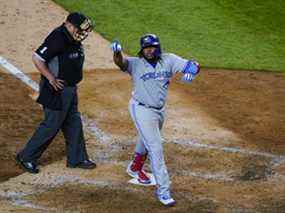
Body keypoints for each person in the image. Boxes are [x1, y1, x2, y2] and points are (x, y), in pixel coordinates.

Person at [110, 34, 200, 206]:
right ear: (142, 49)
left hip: (159, 111)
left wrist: (192, 71)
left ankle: (135, 167)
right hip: (141, 108)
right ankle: (164, 191)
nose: (149, 50)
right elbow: (121, 63)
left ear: (158, 47)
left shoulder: (169, 60)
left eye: (152, 47)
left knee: (147, 138)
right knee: (156, 147)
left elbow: (192, 64)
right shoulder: (136, 64)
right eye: (146, 48)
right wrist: (117, 53)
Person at [16, 12, 96, 174]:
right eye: (79, 29)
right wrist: (51, 78)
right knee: (51, 124)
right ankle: (27, 156)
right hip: (56, 90)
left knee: (73, 122)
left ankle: (77, 158)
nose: (82, 33)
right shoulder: (58, 37)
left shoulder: (72, 38)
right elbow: (37, 58)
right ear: (70, 25)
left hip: (70, 89)